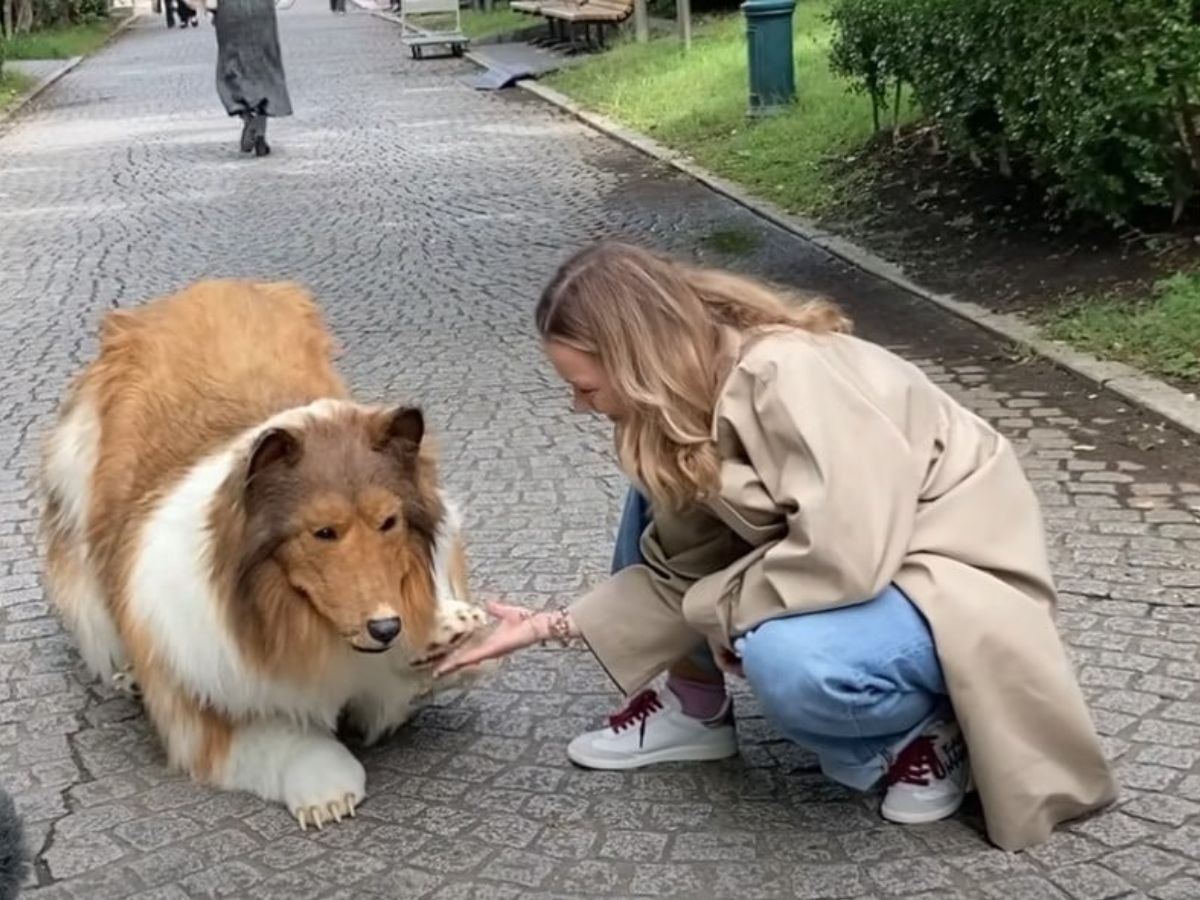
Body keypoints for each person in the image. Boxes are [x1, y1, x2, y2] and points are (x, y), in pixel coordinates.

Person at [435, 240, 1118, 852]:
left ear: (638, 361)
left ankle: (929, 730)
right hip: (867, 562)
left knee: (791, 661)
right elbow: (680, 566)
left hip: (949, 572)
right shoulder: (681, 403)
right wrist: (555, 625)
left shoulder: (790, 374)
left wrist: (725, 610)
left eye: (586, 387)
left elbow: (846, 553)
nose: (581, 406)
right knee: (656, 491)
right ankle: (694, 703)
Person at [200, 0, 295, 157]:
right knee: (265, 67)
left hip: (229, 10)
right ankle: (259, 131)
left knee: (232, 64)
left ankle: (247, 117)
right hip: (262, 9)